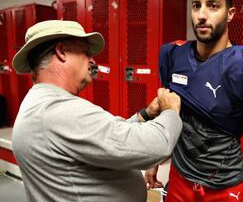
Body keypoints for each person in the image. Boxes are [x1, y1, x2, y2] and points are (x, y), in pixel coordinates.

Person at [145, 0, 243, 202]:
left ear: (230, 14)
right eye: (196, 5)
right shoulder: (174, 56)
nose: (201, 15)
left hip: (224, 188)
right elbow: (167, 115)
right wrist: (153, 161)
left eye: (213, 6)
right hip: (180, 179)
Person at [11, 20, 183, 202]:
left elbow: (106, 138)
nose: (93, 60)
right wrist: (170, 110)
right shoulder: (57, 111)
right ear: (61, 52)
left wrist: (145, 115)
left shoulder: (40, 104)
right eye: (86, 52)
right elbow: (152, 147)